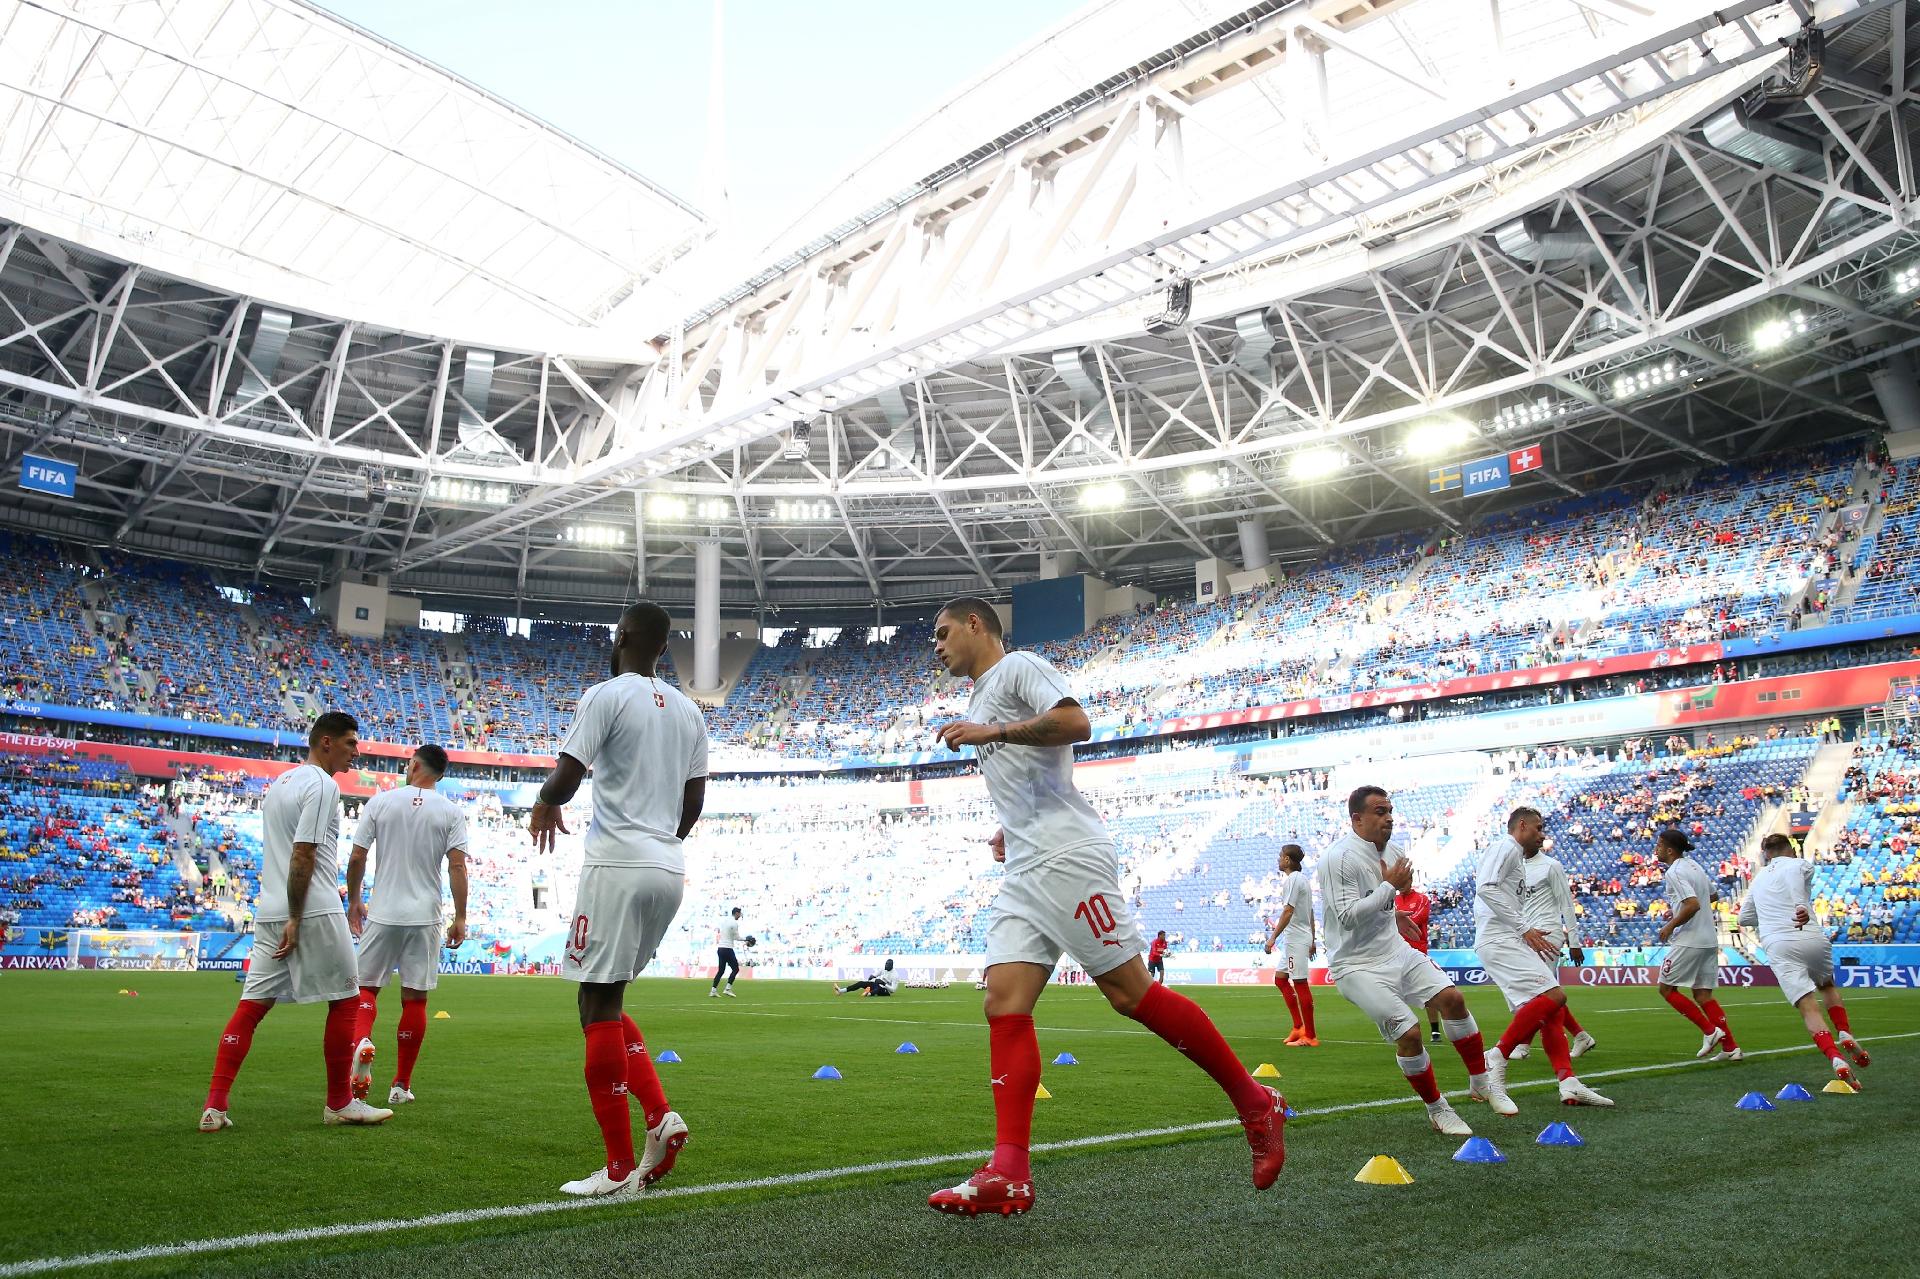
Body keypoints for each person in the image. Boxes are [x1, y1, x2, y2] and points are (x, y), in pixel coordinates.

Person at [924, 598, 1284, 1217]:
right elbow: (1036, 775)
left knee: (1130, 993)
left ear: (976, 625)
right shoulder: (979, 696)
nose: (937, 644)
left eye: (943, 631)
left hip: (1067, 858)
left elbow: (1074, 721)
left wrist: (995, 733)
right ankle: (1010, 1170)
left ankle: (1257, 1103)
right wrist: (1012, 825)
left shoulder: (1018, 669)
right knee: (1003, 1002)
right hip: (1026, 866)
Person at [529, 601, 706, 1199]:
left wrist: (544, 801)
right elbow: (693, 804)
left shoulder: (606, 695)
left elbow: (568, 774)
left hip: (616, 863)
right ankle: (660, 1117)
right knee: (609, 996)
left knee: (595, 1007)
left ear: (625, 635)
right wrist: (661, 846)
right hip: (667, 869)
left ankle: (616, 1169)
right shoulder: (689, 713)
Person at [198, 712, 392, 1130]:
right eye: (350, 743)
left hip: (269, 908)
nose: (356, 752)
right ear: (326, 742)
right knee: (345, 999)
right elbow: (303, 853)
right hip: (310, 908)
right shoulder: (322, 785)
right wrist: (296, 916)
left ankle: (215, 1107)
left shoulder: (280, 783)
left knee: (250, 1007)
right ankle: (340, 1103)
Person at [1318, 786, 1491, 1138]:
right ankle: (1437, 1108)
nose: (1389, 818)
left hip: (1394, 950)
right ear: (1357, 818)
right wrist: (1389, 888)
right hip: (1355, 964)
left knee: (1453, 999)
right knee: (1410, 1035)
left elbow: (1377, 899)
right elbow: (1348, 917)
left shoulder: (1394, 852)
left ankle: (1481, 1082)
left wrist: (1393, 911)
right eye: (1380, 811)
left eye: (1390, 811)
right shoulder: (1336, 858)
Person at [345, 743, 469, 1106]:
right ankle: (400, 1085)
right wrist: (460, 917)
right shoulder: (450, 811)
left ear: (414, 764)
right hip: (424, 915)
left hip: (383, 910)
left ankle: (362, 1040)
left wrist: (355, 900)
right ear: (439, 775)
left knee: (366, 989)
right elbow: (457, 866)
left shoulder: (381, 802)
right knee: (415, 998)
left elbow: (357, 856)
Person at [1473, 808, 1613, 1113]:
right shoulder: (1504, 847)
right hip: (1499, 940)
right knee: (1555, 996)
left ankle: (1568, 1082)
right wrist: (1524, 928)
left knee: (1553, 1009)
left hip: (1513, 938)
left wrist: (1526, 933)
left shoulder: (1521, 861)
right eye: (1538, 828)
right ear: (1521, 826)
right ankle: (1497, 1055)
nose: (1543, 834)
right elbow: (1485, 888)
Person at [1738, 834, 1867, 1088]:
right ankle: (1844, 1032)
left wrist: (1770, 919)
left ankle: (1836, 1058)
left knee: (1808, 1006)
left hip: (1778, 944)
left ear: (1767, 854)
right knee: (1827, 985)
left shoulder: (1758, 879)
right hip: (1810, 936)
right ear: (1791, 849)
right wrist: (1799, 906)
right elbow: (1795, 875)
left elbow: (1744, 918)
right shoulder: (1798, 863)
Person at [1653, 829, 1741, 1061]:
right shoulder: (1694, 866)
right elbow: (1712, 896)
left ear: (1669, 850)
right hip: (1708, 939)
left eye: (1659, 845)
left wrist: (1670, 925)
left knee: (1666, 988)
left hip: (1689, 939)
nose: (1656, 848)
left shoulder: (1674, 871)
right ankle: (1731, 1047)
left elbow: (1692, 905)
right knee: (1703, 995)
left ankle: (1710, 1031)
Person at [1508, 835, 1597, 1062]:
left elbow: (1566, 903)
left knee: (1538, 991)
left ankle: (1523, 1043)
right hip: (1526, 934)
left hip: (1548, 933)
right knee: (1541, 991)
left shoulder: (1551, 866)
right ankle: (1581, 1035)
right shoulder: (1516, 867)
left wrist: (1574, 942)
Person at [1262, 844, 1317, 1046]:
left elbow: (1288, 911)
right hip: (1298, 938)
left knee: (1300, 984)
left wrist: (1272, 937)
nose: (1278, 860)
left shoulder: (1293, 880)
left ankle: (1309, 1036)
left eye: (1280, 856)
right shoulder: (1302, 880)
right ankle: (1298, 1027)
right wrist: (1312, 939)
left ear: (1287, 860)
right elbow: (1309, 912)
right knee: (1280, 980)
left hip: (1295, 939)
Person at [1391, 879, 1440, 1043]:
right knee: (1393, 992)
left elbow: (1417, 919)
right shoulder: (1393, 900)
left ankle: (1435, 1031)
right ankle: (1401, 1029)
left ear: (1410, 880)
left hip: (1417, 950)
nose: (1402, 884)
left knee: (1429, 991)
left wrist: (1395, 920)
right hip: (1394, 951)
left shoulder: (1421, 899)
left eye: (1405, 881)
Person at [711, 906, 744, 998]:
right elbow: (736, 937)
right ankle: (727, 989)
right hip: (727, 948)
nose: (740, 916)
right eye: (739, 914)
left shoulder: (725, 921)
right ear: (736, 913)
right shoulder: (734, 923)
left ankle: (713, 990)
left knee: (721, 971)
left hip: (720, 948)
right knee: (735, 969)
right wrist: (746, 939)